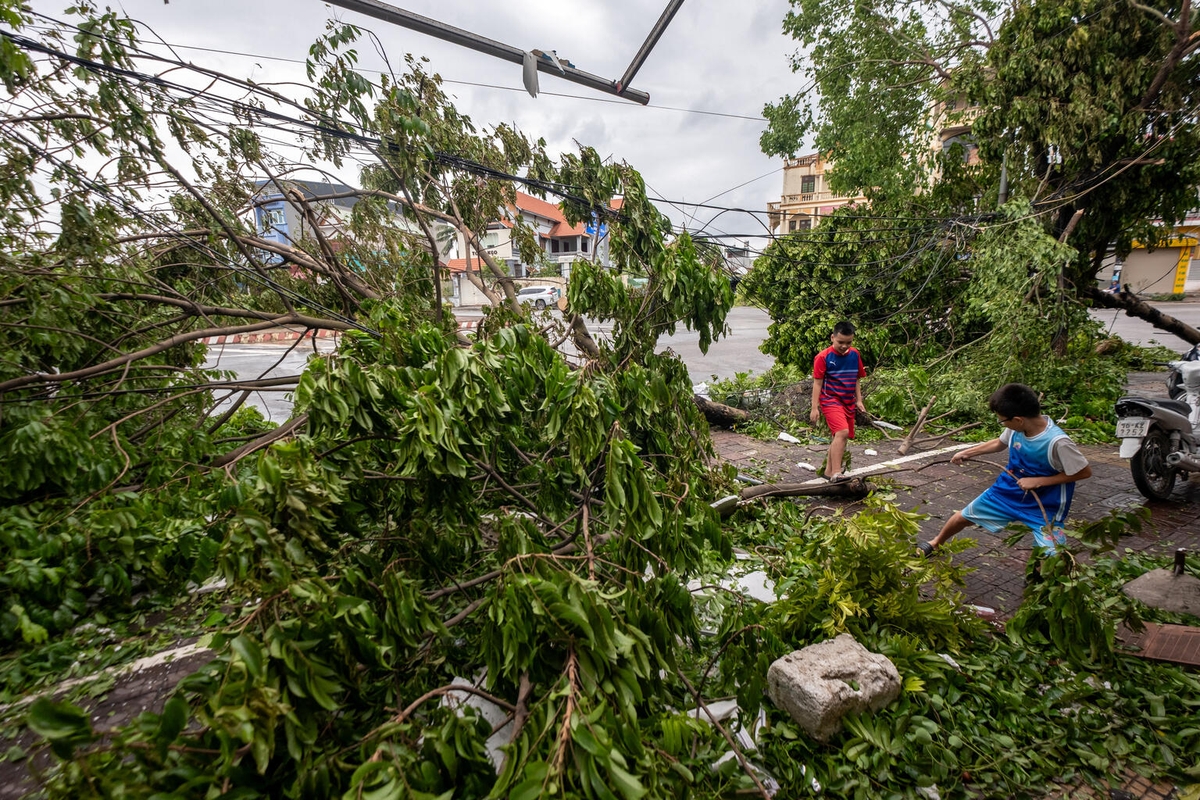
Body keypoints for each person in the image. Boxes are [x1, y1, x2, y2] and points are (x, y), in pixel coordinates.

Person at [917, 383, 1092, 559]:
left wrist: (1038, 481)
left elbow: (1083, 472)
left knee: (1053, 556)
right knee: (963, 516)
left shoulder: (1058, 442)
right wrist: (967, 452)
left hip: (1045, 504)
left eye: (1002, 420)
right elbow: (999, 443)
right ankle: (936, 543)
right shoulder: (1017, 428)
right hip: (1008, 490)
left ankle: (1039, 575)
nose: (1002, 424)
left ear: (1018, 419)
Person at [810, 321, 867, 481]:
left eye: (848, 342)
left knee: (841, 436)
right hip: (830, 400)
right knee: (842, 432)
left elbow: (856, 378)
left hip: (848, 401)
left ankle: (828, 472)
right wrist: (814, 407)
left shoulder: (855, 354)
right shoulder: (823, 357)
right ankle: (837, 472)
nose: (844, 346)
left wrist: (859, 400)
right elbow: (817, 382)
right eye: (840, 342)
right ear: (832, 338)